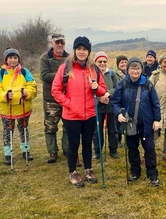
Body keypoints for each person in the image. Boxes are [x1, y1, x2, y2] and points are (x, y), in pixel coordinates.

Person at [51, 36, 107, 188]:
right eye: (79, 49)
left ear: (89, 51)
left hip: (90, 114)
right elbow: (55, 90)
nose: (82, 52)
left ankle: (88, 170)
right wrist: (68, 104)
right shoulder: (65, 68)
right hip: (71, 115)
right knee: (73, 144)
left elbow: (103, 90)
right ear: (74, 50)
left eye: (85, 49)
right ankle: (73, 172)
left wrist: (97, 88)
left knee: (87, 143)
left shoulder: (94, 69)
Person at [111, 57, 161, 186]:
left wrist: (157, 120)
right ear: (127, 69)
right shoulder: (122, 84)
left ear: (141, 69)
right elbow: (115, 102)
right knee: (132, 147)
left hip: (146, 123)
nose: (135, 71)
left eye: (137, 68)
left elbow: (155, 103)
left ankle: (152, 173)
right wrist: (118, 114)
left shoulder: (148, 84)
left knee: (149, 148)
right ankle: (135, 171)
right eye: (132, 68)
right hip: (129, 124)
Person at [0, 48, 37, 165]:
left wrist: (28, 92)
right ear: (6, 59)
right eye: (10, 58)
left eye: (15, 57)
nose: (13, 60)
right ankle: (8, 153)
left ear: (18, 59)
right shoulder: (0, 73)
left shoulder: (25, 72)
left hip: (23, 107)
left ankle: (25, 150)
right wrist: (5, 95)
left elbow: (33, 86)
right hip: (7, 108)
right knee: (8, 131)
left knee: (24, 129)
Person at [40, 33, 70, 163]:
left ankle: (67, 149)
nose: (59, 45)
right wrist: (62, 76)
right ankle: (52, 152)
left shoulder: (69, 58)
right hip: (51, 98)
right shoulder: (45, 58)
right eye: (57, 42)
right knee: (50, 126)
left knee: (68, 125)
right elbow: (44, 76)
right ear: (52, 43)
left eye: (62, 42)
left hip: (67, 97)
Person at [92, 51, 120, 159]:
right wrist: (100, 98)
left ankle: (113, 150)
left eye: (104, 61)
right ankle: (98, 151)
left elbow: (118, 88)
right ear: (95, 62)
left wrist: (108, 94)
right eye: (100, 61)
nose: (102, 63)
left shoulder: (112, 74)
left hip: (111, 105)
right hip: (98, 106)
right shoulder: (92, 74)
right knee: (97, 130)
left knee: (113, 130)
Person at [113, 55, 128, 147]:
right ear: (118, 64)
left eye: (125, 62)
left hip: (127, 101)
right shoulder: (114, 74)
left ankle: (127, 140)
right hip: (118, 100)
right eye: (121, 62)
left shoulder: (130, 73)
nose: (124, 64)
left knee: (127, 120)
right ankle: (118, 140)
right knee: (117, 121)